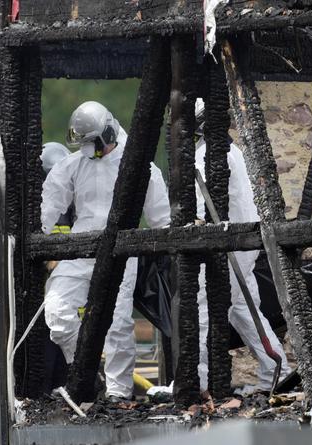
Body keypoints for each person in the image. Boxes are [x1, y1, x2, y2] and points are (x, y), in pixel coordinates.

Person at [41, 101, 171, 402]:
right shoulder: (74, 165)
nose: (89, 150)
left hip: (122, 252)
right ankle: (85, 374)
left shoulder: (139, 166)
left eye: (93, 143)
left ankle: (117, 393)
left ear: (109, 133)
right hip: (80, 247)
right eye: (84, 144)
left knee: (118, 322)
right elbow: (49, 204)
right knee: (58, 313)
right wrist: (38, 239)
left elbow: (161, 217)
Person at [193, 99, 291, 395]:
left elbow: (200, 206)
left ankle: (199, 381)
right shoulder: (233, 150)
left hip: (230, 246)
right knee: (243, 308)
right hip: (245, 243)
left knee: (203, 308)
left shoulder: (207, 155)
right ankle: (277, 370)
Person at [39, 141, 73, 395]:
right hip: (46, 293)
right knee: (48, 344)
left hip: (68, 288)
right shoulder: (40, 207)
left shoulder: (73, 203)